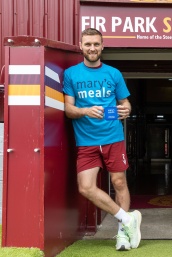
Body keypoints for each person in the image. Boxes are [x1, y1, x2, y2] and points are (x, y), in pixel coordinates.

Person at [63, 28, 141, 251]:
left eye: (96, 44)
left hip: (113, 137)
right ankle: (128, 220)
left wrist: (126, 110)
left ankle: (122, 235)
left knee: (119, 183)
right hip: (86, 141)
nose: (92, 48)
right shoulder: (71, 74)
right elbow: (69, 109)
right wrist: (86, 111)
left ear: (102, 46)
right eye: (88, 44)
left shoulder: (113, 73)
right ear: (81, 46)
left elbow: (125, 103)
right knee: (85, 187)